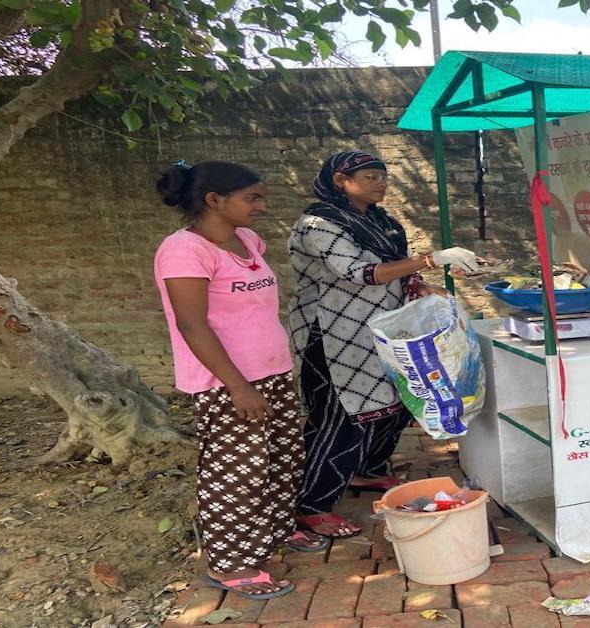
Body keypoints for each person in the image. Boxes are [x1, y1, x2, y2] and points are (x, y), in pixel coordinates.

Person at [153, 160, 327, 600]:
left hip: (270, 370)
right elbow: (192, 325)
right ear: (215, 201)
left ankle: (273, 533)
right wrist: (237, 386)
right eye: (253, 198)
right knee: (236, 472)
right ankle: (231, 564)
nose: (262, 206)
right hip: (226, 382)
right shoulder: (184, 251)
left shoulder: (247, 240)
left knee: (282, 459)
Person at [289, 151, 480, 537]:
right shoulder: (317, 225)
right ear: (341, 180)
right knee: (341, 417)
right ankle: (312, 504)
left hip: (381, 329)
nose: (381, 182)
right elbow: (360, 273)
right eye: (371, 176)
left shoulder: (381, 221)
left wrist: (418, 284)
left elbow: (395, 270)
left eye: (383, 176)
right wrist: (429, 259)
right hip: (333, 335)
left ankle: (366, 472)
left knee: (395, 405)